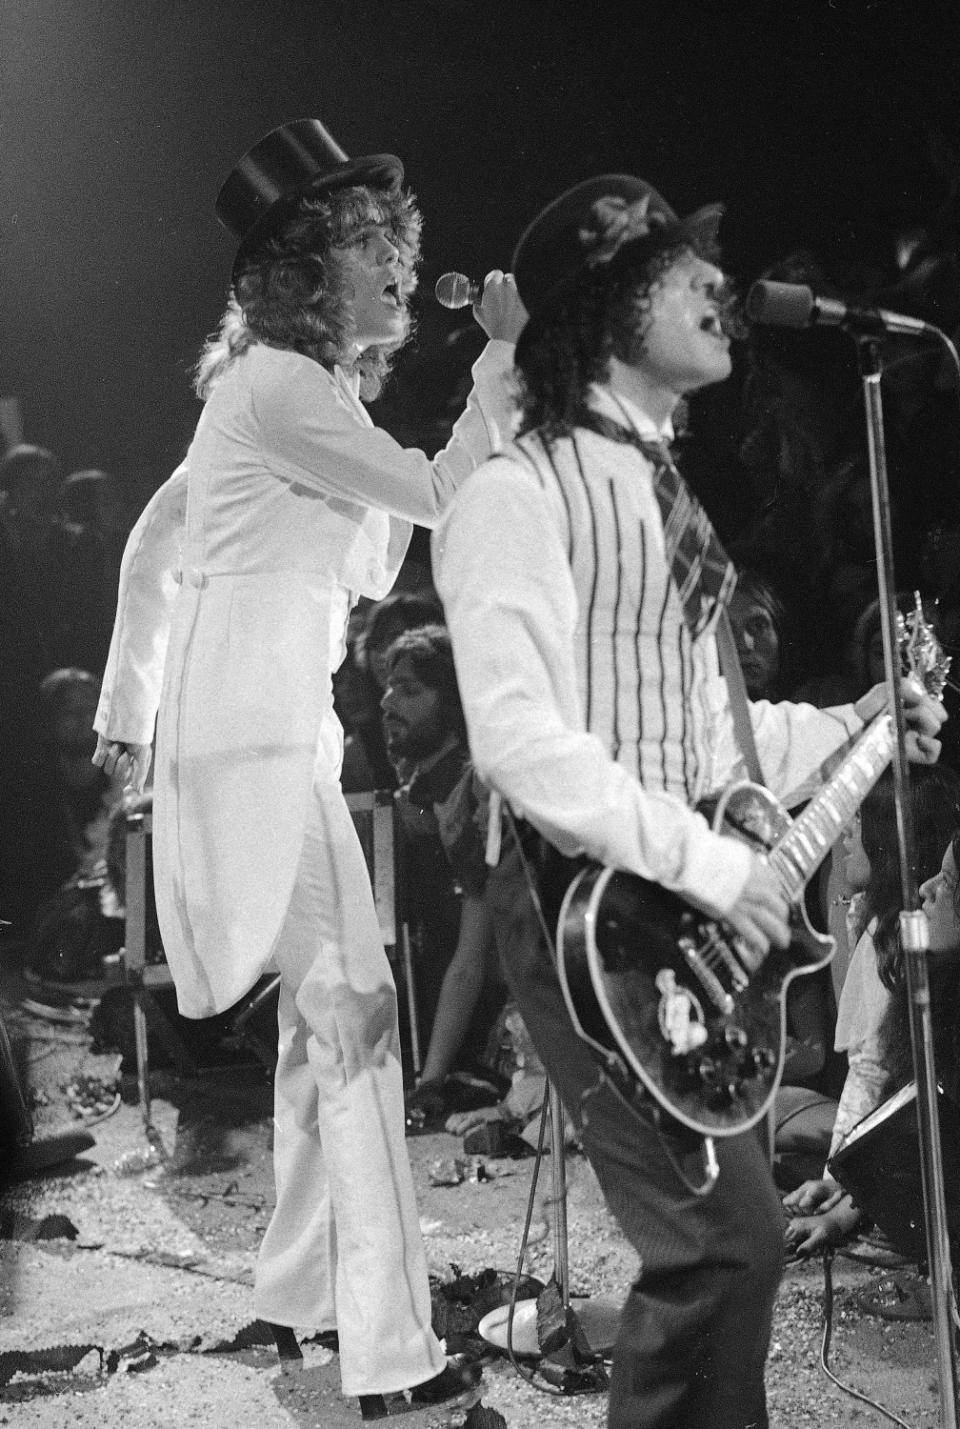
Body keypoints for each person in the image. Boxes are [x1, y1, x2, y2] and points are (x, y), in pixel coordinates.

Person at [433, 173, 947, 1428]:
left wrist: (857, 722)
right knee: (718, 1249)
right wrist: (719, 871)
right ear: (605, 311)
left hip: (676, 906)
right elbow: (520, 743)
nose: (721, 291)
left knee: (736, 1245)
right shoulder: (519, 493)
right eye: (681, 273)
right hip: (584, 907)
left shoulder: (660, 493)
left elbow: (707, 731)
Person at [91, 119, 525, 1419]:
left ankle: (290, 1295)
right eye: (363, 250)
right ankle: (388, 1350)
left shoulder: (297, 398)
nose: (395, 267)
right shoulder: (277, 390)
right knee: (358, 1017)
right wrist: (503, 353)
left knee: (318, 1028)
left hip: (272, 739)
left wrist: (129, 712)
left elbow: (165, 540)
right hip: (255, 743)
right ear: (302, 275)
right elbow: (442, 496)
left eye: (397, 246)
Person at [782, 768, 960, 1255]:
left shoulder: (897, 935)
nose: (845, 833)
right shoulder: (880, 924)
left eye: (858, 823)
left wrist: (842, 1197)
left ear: (886, 840)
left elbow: (875, 1077)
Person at [379, 625, 505, 1107]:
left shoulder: (474, 794)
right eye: (389, 688)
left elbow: (471, 959)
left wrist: (430, 1081)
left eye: (410, 691)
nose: (389, 703)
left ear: (452, 700)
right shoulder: (420, 792)